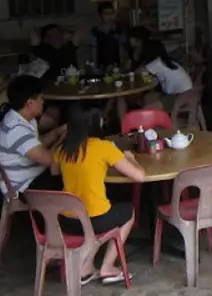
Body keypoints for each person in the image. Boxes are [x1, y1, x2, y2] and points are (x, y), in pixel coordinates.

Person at [52, 105, 145, 285]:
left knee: (102, 207)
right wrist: (131, 159)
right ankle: (107, 267)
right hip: (95, 220)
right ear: (95, 123)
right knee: (128, 211)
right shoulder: (103, 148)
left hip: (67, 221)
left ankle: (86, 269)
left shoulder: (64, 149)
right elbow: (139, 177)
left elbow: (54, 171)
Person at [0, 76, 67, 195]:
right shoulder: (17, 130)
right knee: (73, 174)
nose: (43, 101)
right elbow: (50, 160)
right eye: (40, 98)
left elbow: (36, 143)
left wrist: (57, 132)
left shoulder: (19, 117)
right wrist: (63, 138)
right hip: (24, 187)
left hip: (31, 175)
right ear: (29, 103)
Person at [139, 40, 193, 112]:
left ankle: (156, 120)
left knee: (146, 108)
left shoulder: (156, 63)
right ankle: (155, 121)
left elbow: (140, 73)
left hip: (180, 97)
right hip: (186, 94)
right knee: (147, 98)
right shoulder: (166, 61)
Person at [90, 2, 126, 68]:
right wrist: (95, 65)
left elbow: (121, 48)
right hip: (101, 65)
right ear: (100, 15)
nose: (109, 16)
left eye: (111, 13)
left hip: (116, 65)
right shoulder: (95, 31)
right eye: (106, 14)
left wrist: (122, 63)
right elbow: (94, 49)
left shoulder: (119, 30)